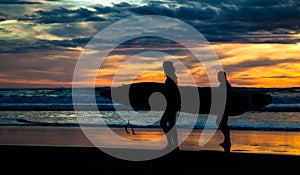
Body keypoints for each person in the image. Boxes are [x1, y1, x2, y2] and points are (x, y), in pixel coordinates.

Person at [160, 61, 181, 151]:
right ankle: (174, 144)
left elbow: (173, 92)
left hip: (171, 105)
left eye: (165, 67)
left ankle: (173, 144)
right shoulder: (171, 77)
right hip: (171, 105)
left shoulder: (171, 78)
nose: (164, 69)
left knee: (164, 123)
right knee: (171, 124)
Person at [217, 71, 232, 152]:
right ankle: (227, 140)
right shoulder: (225, 84)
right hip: (224, 108)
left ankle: (227, 140)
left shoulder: (225, 85)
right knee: (222, 123)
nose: (218, 78)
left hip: (224, 108)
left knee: (222, 123)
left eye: (219, 77)